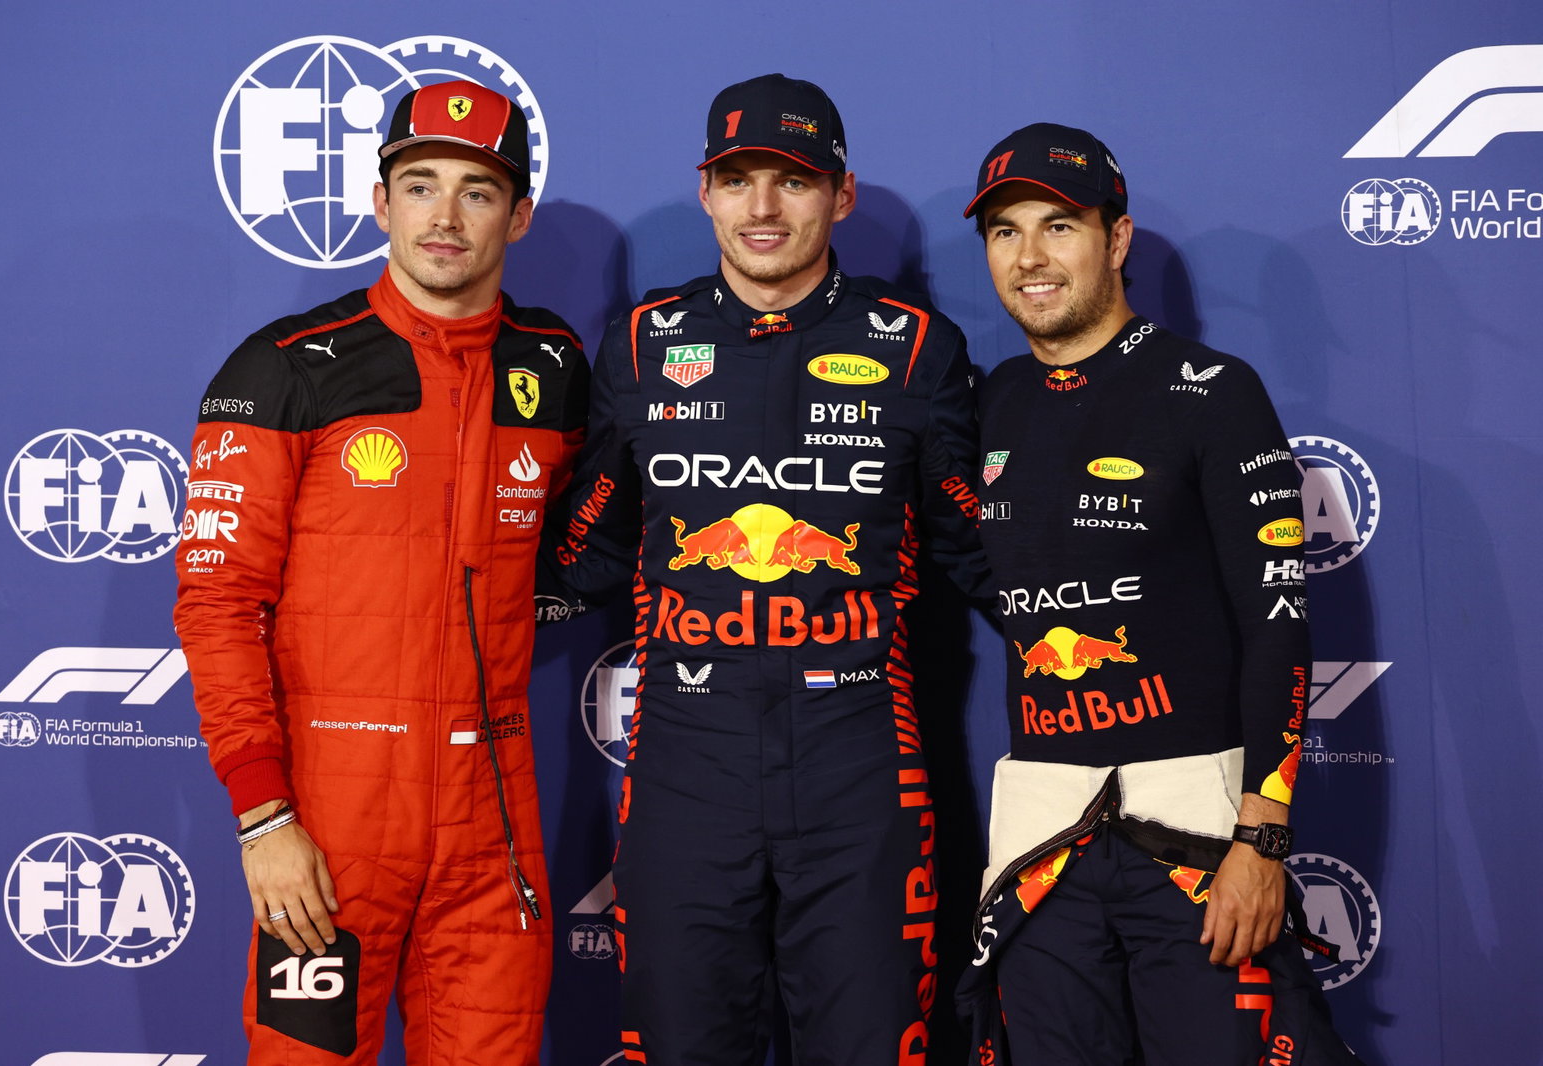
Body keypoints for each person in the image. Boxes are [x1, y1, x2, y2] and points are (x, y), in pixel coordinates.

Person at [539, 73, 991, 1064]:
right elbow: (590, 546)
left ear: (841, 193)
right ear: (704, 191)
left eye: (791, 181)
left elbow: (980, 550)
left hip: (861, 762)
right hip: (683, 766)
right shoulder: (642, 344)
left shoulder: (916, 347)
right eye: (737, 178)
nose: (761, 208)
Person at [174, 79, 588, 1065]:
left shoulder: (556, 367)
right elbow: (218, 604)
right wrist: (264, 815)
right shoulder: (284, 369)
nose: (443, 216)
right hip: (327, 821)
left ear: (518, 214)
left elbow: (586, 540)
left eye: (478, 191)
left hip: (493, 822)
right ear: (378, 201)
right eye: (419, 184)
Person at [957, 123, 1361, 1064]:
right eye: (1005, 232)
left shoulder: (1213, 391)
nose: (1030, 258)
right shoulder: (989, 403)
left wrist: (1262, 843)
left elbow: (1278, 627)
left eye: (1059, 226)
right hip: (1041, 849)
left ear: (1117, 238)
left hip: (1200, 847)